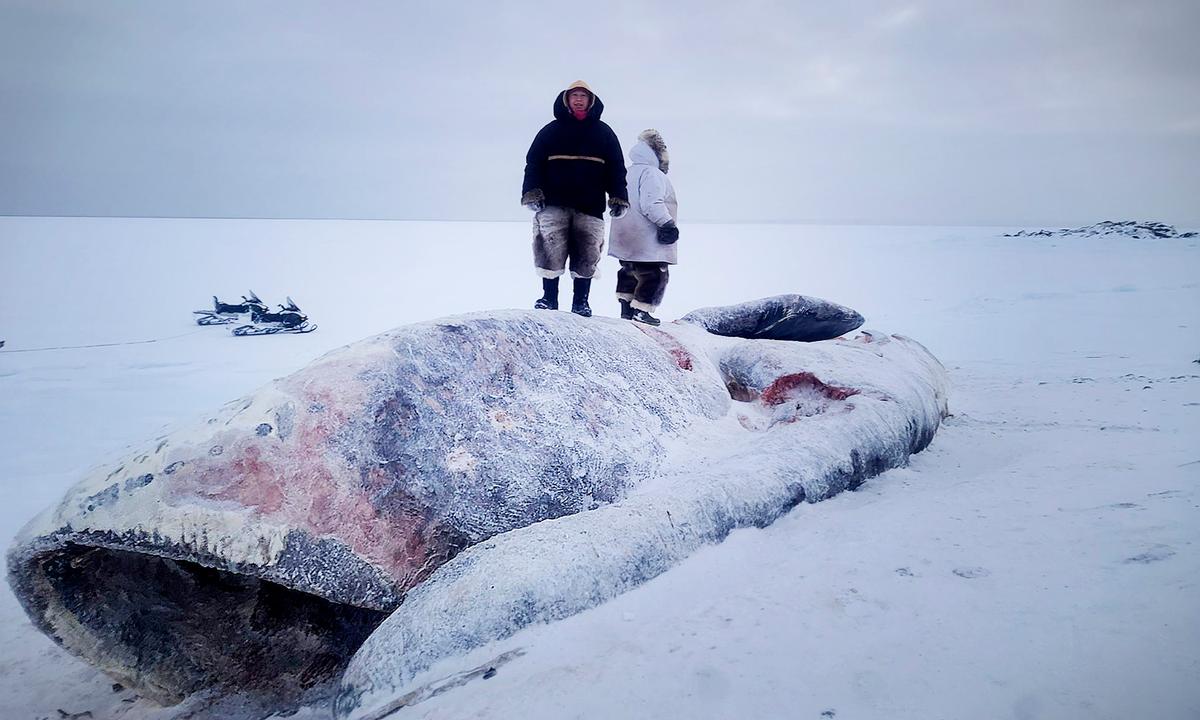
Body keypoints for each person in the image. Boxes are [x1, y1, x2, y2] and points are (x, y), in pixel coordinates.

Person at [522, 81, 629, 317]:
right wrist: (531, 192)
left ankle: (581, 302)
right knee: (550, 251)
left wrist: (618, 196)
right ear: (566, 100)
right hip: (553, 203)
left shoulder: (604, 133)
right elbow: (533, 164)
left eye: (583, 96)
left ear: (591, 101)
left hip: (589, 206)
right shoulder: (550, 131)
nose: (579, 99)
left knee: (587, 254)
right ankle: (549, 299)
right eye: (574, 96)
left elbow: (616, 168)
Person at [607, 129, 678, 326]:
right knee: (655, 274)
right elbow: (652, 203)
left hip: (625, 235)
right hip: (647, 236)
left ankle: (626, 310)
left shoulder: (627, 172)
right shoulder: (651, 173)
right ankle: (642, 310)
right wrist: (667, 224)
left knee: (629, 271)